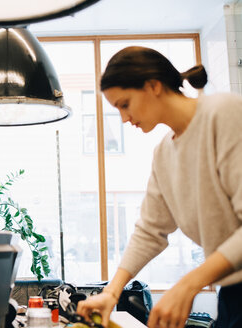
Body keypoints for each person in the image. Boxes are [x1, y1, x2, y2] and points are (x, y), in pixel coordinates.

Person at [76, 46, 242, 328]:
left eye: (125, 104)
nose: (124, 119)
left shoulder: (223, 113)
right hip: (233, 294)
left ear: (153, 85)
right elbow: (150, 231)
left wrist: (189, 283)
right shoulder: (164, 152)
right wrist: (110, 293)